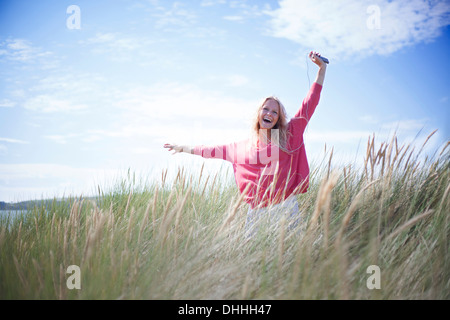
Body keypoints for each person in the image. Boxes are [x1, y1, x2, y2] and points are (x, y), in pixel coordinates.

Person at [164, 51, 327, 233]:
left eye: (275, 112)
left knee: (291, 256)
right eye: (266, 109)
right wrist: (182, 148)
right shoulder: (242, 147)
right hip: (257, 214)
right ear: (258, 113)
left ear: (279, 118)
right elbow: (209, 151)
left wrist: (322, 69)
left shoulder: (288, 135)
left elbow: (309, 103)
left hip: (285, 209)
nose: (270, 114)